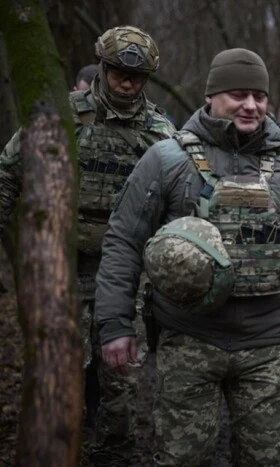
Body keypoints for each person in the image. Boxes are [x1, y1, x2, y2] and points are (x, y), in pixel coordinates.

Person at [94, 48, 280, 466]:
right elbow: (124, 240)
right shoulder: (167, 159)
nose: (251, 105)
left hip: (265, 344)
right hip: (187, 339)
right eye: (238, 94)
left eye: (259, 96)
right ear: (211, 97)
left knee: (264, 460)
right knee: (180, 459)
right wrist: (115, 324)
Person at [0, 25, 176, 466]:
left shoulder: (160, 134)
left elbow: (178, 201)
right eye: (118, 73)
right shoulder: (63, 117)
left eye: (136, 78)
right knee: (60, 365)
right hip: (62, 266)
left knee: (121, 374)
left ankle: (114, 453)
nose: (127, 84)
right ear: (102, 67)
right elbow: (7, 175)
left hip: (126, 272)